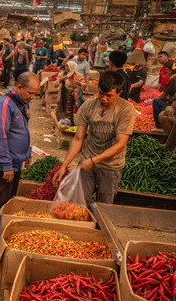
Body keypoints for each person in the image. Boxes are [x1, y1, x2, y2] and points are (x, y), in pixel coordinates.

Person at [52, 71, 136, 205]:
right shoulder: (88, 106)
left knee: (104, 206)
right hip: (87, 162)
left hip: (111, 166)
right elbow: (78, 139)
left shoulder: (126, 110)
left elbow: (120, 144)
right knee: (78, 204)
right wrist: (64, 165)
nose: (104, 98)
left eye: (109, 96)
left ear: (119, 93)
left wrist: (94, 160)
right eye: (101, 93)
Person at [0, 72, 40, 254]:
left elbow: (22, 131)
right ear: (19, 87)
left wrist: (26, 152)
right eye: (30, 93)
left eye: (35, 94)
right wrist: (6, 165)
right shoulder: (4, 105)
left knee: (8, 199)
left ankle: (0, 231)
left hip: (15, 162)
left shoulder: (22, 103)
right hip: (1, 164)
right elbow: (1, 136)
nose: (32, 97)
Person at [151, 62, 176, 128]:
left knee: (156, 101)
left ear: (171, 71)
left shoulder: (174, 80)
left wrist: (169, 99)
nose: (167, 72)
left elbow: (161, 97)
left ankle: (159, 127)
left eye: (168, 70)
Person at [57, 60, 86, 125]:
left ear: (72, 67)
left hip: (73, 95)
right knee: (61, 108)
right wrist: (61, 79)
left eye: (68, 67)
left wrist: (77, 82)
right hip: (63, 94)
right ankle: (61, 124)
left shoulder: (78, 75)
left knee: (71, 110)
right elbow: (55, 84)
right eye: (66, 67)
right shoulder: (62, 74)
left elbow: (84, 84)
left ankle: (70, 123)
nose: (66, 69)